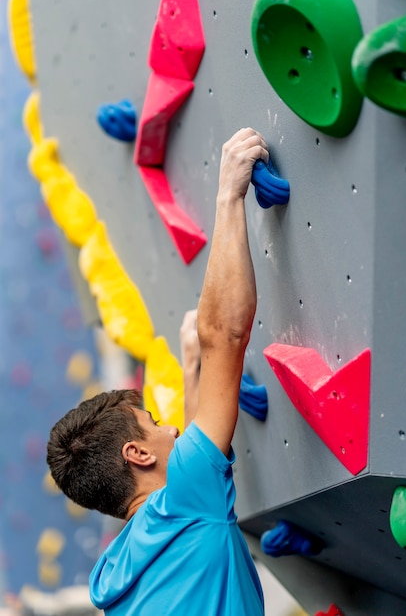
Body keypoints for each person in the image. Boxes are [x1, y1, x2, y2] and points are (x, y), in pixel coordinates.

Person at [46, 127, 269, 615]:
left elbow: (194, 453)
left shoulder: (115, 579)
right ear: (137, 452)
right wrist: (229, 194)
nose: (170, 427)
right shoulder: (187, 500)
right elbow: (226, 335)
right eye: (153, 423)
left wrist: (191, 369)